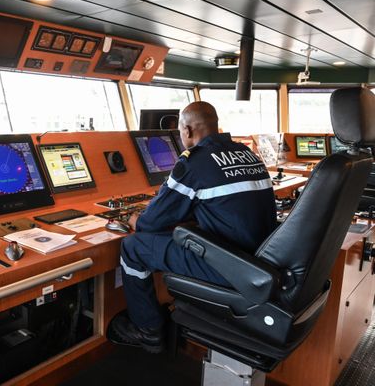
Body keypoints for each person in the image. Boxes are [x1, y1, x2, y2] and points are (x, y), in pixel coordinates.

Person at [108, 101, 277, 353]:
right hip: (257, 258)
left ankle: (148, 329)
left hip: (228, 264)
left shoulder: (194, 162)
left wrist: (134, 219)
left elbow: (151, 222)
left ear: (186, 130)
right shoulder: (247, 153)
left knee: (133, 246)